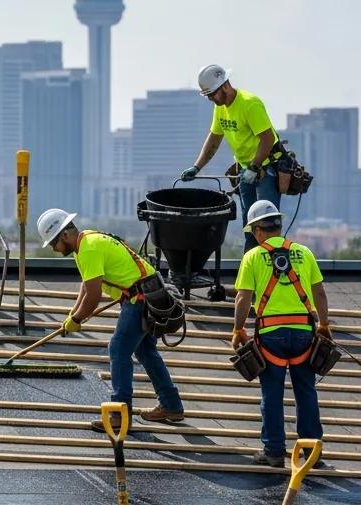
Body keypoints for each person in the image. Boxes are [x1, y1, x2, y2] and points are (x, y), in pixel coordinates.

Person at [37, 208, 185, 433]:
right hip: (144, 293)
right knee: (145, 351)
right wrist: (72, 315)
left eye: (53, 244)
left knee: (118, 349)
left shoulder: (89, 248)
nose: (54, 250)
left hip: (140, 297)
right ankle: (171, 405)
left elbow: (93, 296)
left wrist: (77, 319)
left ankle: (119, 415)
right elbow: (87, 286)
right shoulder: (85, 242)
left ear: (64, 235)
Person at [233, 200, 329, 468]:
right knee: (306, 390)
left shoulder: (253, 256)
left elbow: (243, 298)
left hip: (270, 335)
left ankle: (274, 451)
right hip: (303, 333)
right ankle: (312, 452)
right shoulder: (304, 253)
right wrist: (324, 325)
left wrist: (238, 329)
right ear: (278, 225)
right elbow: (319, 292)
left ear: (256, 230)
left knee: (272, 393)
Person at [181, 64, 282, 251]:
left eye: (212, 94)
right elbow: (214, 139)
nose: (210, 99)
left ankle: (271, 262)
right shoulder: (221, 108)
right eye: (207, 95)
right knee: (250, 225)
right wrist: (197, 167)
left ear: (225, 86)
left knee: (267, 223)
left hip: (266, 168)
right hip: (245, 169)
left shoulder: (249, 104)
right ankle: (251, 262)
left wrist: (255, 166)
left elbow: (267, 139)